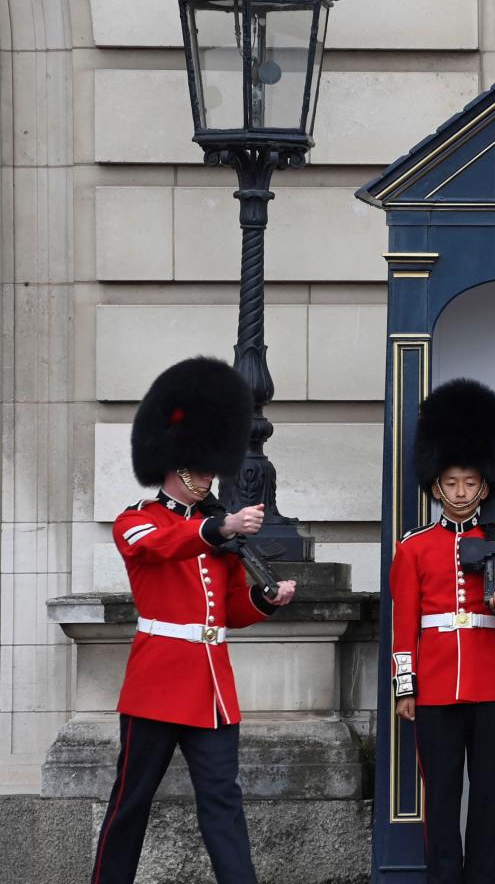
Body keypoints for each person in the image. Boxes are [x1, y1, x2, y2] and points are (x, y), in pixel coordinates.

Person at [92, 356, 297, 884]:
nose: (209, 475)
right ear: (172, 463)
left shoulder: (216, 530)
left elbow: (228, 610)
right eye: (200, 466)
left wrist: (266, 601)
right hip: (157, 685)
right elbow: (160, 548)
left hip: (211, 687)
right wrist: (218, 528)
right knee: (131, 802)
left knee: (224, 806)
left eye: (212, 466)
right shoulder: (137, 521)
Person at [391, 378, 495, 884]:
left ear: (485, 485)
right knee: (443, 796)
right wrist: (405, 688)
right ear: (436, 485)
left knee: (491, 796)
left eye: (469, 483)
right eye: (451, 483)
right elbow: (403, 624)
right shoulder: (414, 547)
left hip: (493, 685)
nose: (459, 493)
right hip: (434, 687)